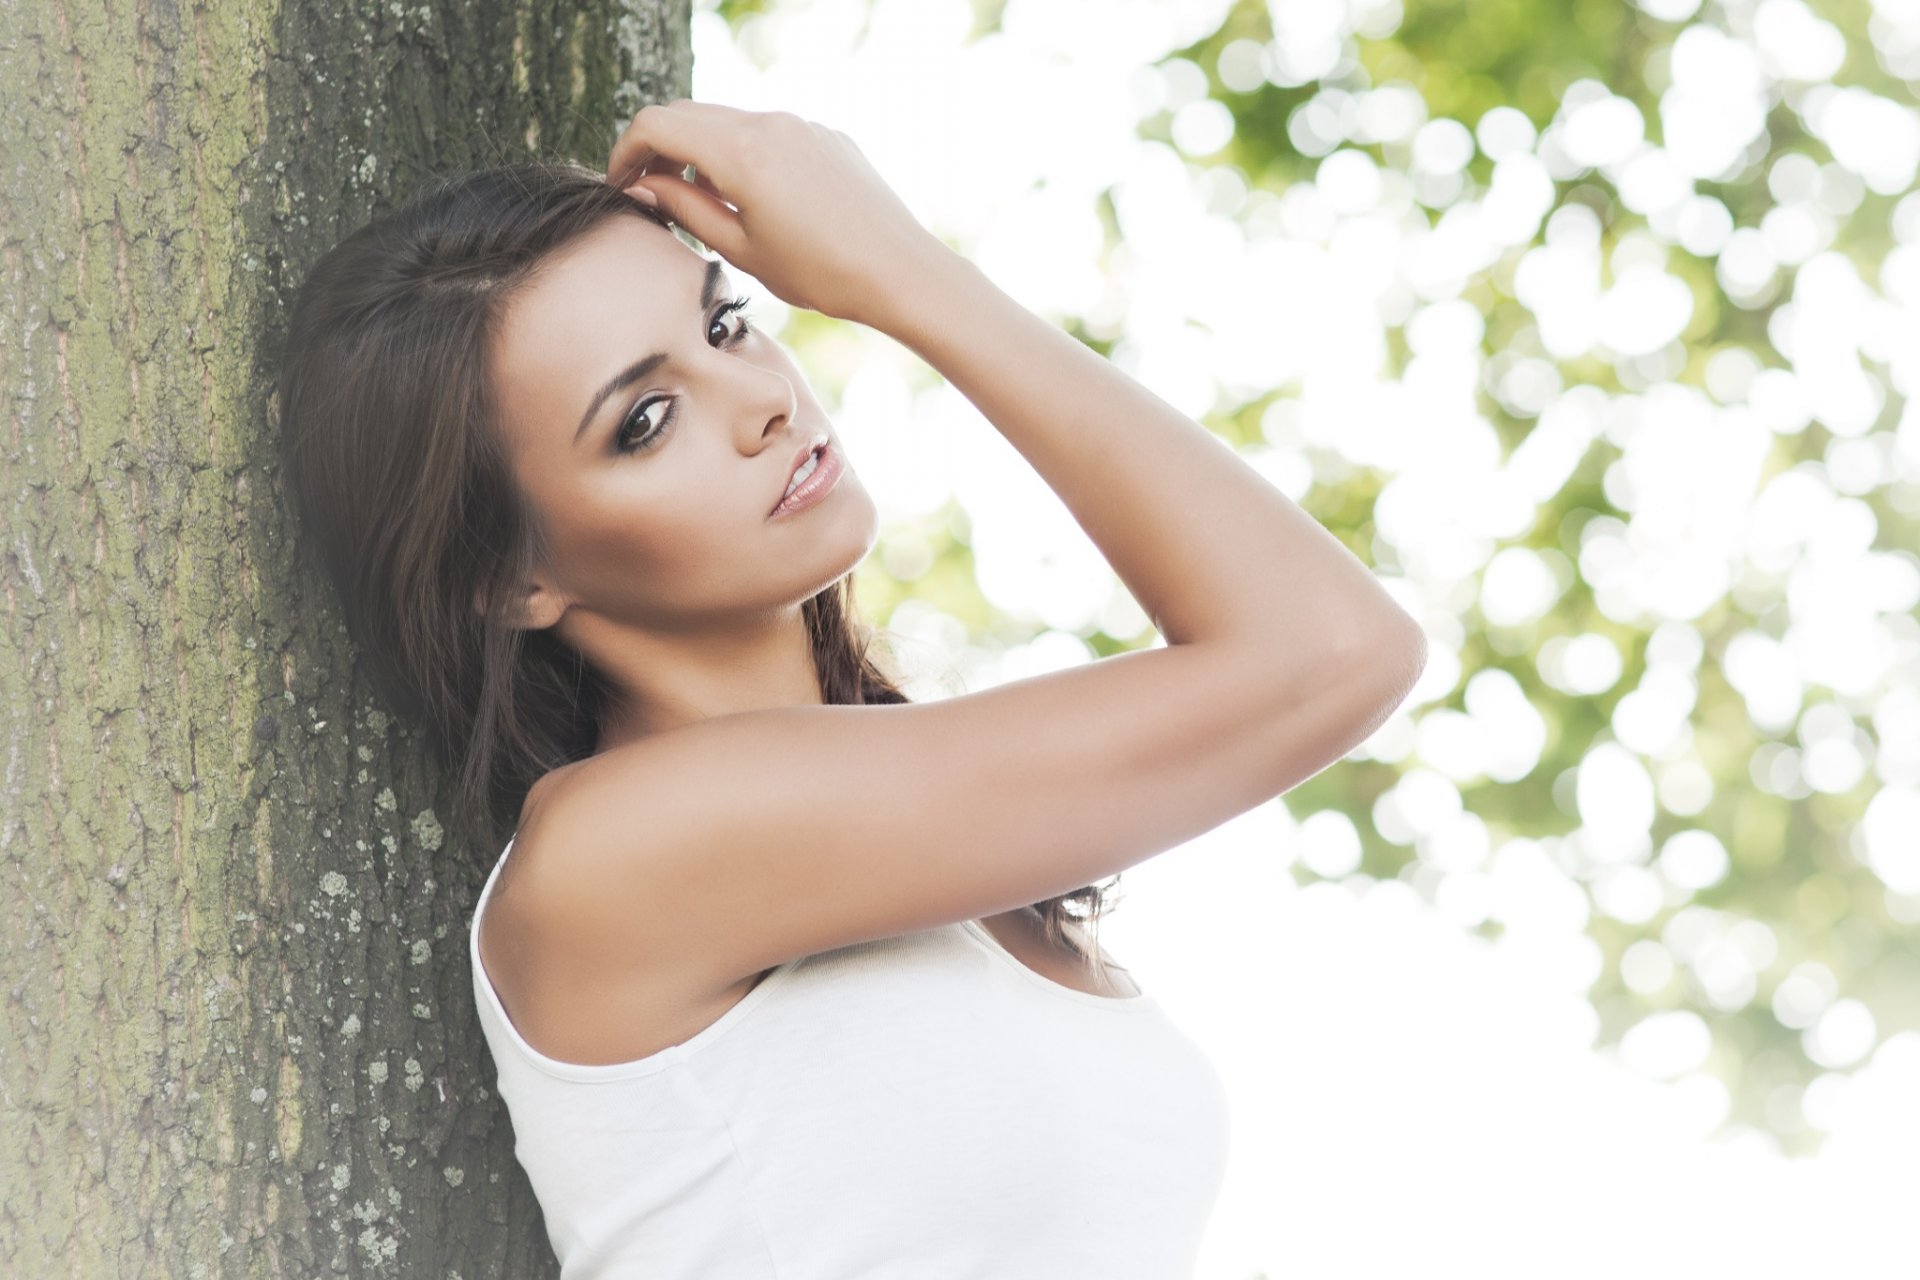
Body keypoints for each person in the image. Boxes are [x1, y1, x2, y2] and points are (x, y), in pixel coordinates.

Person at [275, 98, 1427, 1279]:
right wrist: (898, 268)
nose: (766, 398)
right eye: (647, 419)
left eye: (726, 324)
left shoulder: (942, 856)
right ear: (512, 577)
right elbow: (1333, 651)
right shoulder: (617, 850)